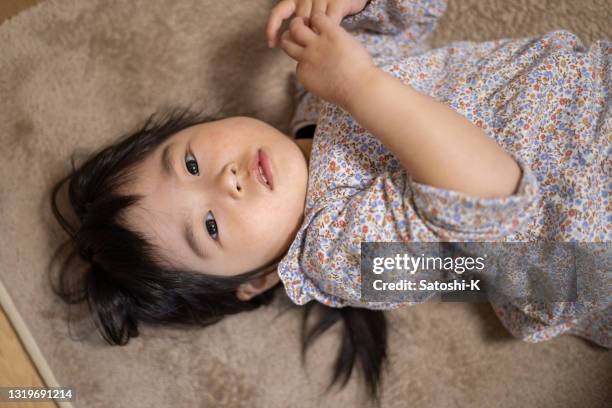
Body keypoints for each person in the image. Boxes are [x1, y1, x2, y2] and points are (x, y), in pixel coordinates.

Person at [49, 0, 611, 403]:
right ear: (260, 278)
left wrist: (353, 8)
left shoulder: (313, 95)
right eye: (212, 226)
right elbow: (495, 204)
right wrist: (361, 87)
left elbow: (411, 19)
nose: (225, 180)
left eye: (191, 162)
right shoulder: (341, 258)